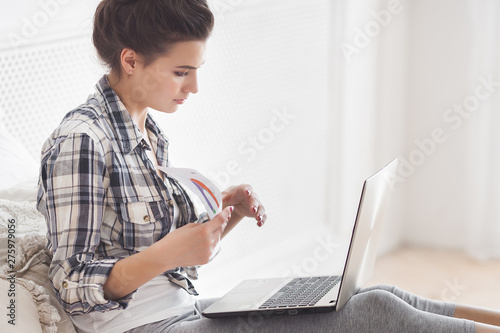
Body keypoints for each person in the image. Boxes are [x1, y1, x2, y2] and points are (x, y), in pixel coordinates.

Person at [36, 0, 500, 332]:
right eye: (182, 72)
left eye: (197, 69)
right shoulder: (82, 140)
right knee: (371, 315)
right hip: (144, 327)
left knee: (371, 296)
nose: (194, 87)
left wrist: (226, 216)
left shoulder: (147, 130)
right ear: (131, 61)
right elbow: (73, 283)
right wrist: (170, 253)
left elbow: (152, 249)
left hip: (186, 311)